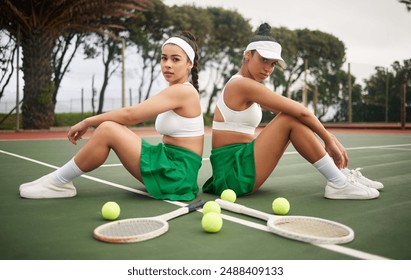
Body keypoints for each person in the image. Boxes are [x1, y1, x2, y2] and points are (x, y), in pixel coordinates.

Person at [203, 23, 383, 200]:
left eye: (273, 64)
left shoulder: (248, 86)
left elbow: (299, 115)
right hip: (232, 173)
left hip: (241, 162)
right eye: (264, 60)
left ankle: (340, 173)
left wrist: (327, 138)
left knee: (292, 117)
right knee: (290, 117)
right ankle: (338, 182)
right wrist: (329, 139)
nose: (268, 69)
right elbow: (300, 111)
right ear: (247, 55)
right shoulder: (240, 84)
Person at [20, 31, 204, 201]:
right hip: (168, 163)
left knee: (108, 129)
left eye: (175, 59)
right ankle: (58, 180)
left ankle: (59, 181)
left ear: (189, 63)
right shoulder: (176, 90)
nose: (167, 64)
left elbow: (130, 115)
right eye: (164, 58)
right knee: (111, 128)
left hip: (177, 175)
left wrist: (88, 121)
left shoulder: (183, 92)